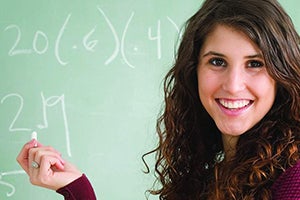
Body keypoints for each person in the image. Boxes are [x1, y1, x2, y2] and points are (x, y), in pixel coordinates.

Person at [17, 0, 300, 199]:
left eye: (255, 64)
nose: (234, 85)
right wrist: (75, 188)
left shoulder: (294, 180)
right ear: (193, 72)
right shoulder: (210, 178)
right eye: (217, 62)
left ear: (282, 74)